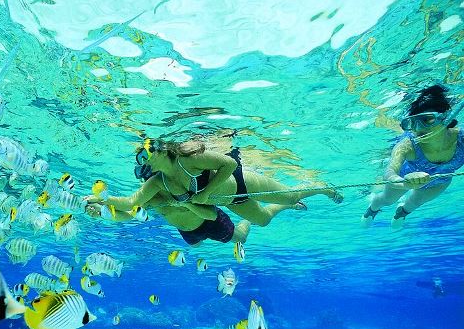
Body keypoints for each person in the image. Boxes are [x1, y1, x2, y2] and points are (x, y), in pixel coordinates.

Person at [91, 143, 340, 227]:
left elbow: (229, 165)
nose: (143, 165)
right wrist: (100, 199)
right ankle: (290, 207)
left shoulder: (188, 157)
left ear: (156, 150)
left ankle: (321, 187)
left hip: (242, 182)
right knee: (263, 220)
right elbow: (131, 202)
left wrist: (206, 193)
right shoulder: (159, 181)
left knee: (288, 195)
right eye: (139, 163)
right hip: (231, 201)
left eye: (144, 157)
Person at [362, 84, 463, 228]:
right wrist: (403, 181)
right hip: (404, 179)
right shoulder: (407, 145)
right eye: (413, 122)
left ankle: (401, 212)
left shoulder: (462, 139)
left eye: (427, 119)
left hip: (441, 181)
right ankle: (373, 209)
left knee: (416, 202)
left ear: (445, 118)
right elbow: (389, 172)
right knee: (387, 200)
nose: (419, 128)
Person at [87, 188, 303, 247]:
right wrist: (104, 213)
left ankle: (282, 206)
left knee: (242, 237)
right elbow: (127, 214)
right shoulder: (150, 198)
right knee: (195, 246)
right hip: (188, 232)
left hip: (212, 222)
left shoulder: (180, 185)